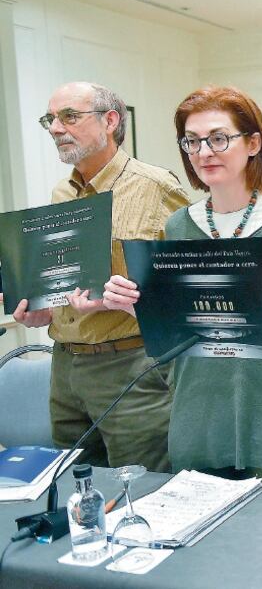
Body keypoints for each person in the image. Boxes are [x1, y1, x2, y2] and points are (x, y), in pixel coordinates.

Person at [99, 85, 262, 485]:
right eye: (192, 141)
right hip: (198, 421)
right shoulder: (178, 225)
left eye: (218, 138)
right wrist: (140, 307)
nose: (204, 152)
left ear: (253, 143)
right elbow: (178, 331)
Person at [9, 82, 189, 472]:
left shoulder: (156, 188)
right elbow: (66, 280)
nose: (56, 128)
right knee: (76, 488)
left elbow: (189, 286)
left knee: (140, 490)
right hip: (65, 368)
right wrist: (44, 308)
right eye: (50, 119)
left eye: (69, 116)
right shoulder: (61, 193)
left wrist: (125, 302)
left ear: (110, 121)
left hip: (131, 366)